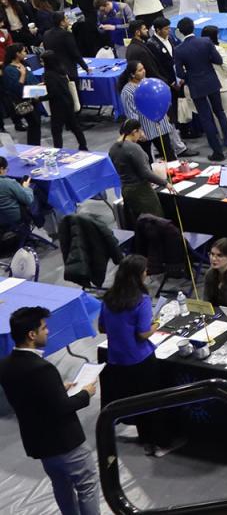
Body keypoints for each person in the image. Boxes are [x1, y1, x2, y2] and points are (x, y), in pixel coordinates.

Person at [0, 306, 102, 515]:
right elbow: (62, 408)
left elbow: (28, 395)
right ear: (32, 334)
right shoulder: (42, 368)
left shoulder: (6, 365)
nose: (48, 331)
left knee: (61, 485)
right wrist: (86, 393)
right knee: (87, 485)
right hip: (65, 443)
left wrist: (56, 388)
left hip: (40, 443)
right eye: (44, 328)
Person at [100, 255, 179, 454]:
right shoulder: (141, 301)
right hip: (140, 359)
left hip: (117, 359)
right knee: (153, 400)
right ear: (137, 275)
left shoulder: (109, 297)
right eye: (144, 270)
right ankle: (161, 442)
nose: (147, 273)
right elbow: (143, 333)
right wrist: (157, 324)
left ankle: (145, 438)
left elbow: (102, 327)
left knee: (136, 401)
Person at [173, 16, 227, 161]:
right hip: (211, 81)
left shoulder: (179, 50)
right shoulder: (206, 42)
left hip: (196, 85)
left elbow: (179, 73)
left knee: (206, 118)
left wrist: (190, 77)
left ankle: (217, 152)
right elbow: (218, 60)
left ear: (180, 32)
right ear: (193, 27)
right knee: (220, 113)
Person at [110, 118, 166, 221]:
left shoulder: (113, 149)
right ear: (134, 131)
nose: (141, 134)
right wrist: (165, 183)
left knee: (139, 221)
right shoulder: (134, 148)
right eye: (139, 131)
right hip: (141, 191)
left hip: (126, 190)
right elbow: (145, 173)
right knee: (155, 221)